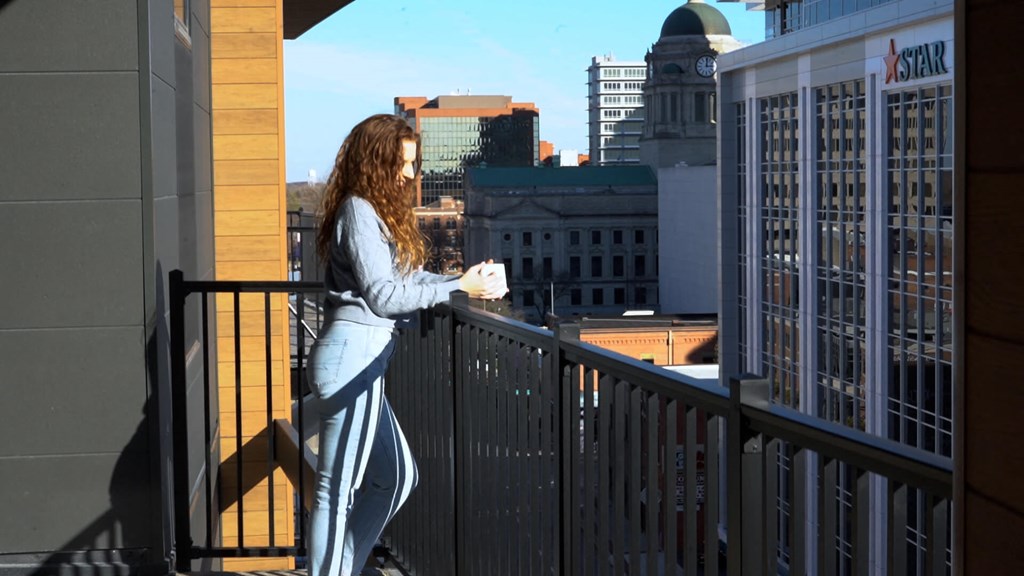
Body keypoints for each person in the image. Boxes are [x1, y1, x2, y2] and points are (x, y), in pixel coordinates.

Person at [307, 114, 506, 576]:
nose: (412, 175)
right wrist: (460, 288)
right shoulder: (358, 210)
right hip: (351, 361)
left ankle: (344, 568)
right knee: (335, 493)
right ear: (376, 161)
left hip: (364, 362)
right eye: (404, 163)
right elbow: (384, 295)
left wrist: (465, 281)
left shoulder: (369, 210)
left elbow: (404, 279)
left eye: (413, 164)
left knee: (397, 477)